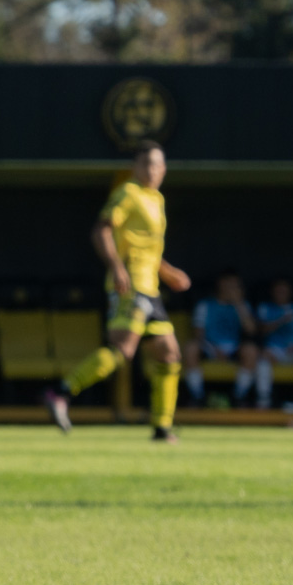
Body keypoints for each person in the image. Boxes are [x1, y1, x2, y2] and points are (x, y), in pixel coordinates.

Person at [45, 141, 190, 442]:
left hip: (150, 288)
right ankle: (60, 393)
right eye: (146, 163)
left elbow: (147, 246)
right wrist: (117, 267)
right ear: (136, 167)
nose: (153, 170)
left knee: (169, 353)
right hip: (132, 285)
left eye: (158, 164)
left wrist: (169, 272)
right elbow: (101, 230)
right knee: (123, 350)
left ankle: (162, 428)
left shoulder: (157, 200)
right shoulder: (128, 193)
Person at [186, 271, 255, 406]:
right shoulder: (205, 305)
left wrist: (238, 304)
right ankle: (198, 397)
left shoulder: (242, 305)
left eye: (236, 286)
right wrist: (215, 349)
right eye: (230, 284)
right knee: (190, 347)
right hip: (210, 346)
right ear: (221, 284)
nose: (233, 288)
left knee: (251, 350)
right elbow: (198, 334)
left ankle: (238, 397)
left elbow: (251, 330)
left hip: (233, 347)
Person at [254, 278, 293, 410]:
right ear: (272, 292)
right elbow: (260, 330)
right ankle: (264, 398)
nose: (281, 293)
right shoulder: (265, 308)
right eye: (278, 290)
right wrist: (281, 321)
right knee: (262, 356)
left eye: (284, 290)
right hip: (275, 350)